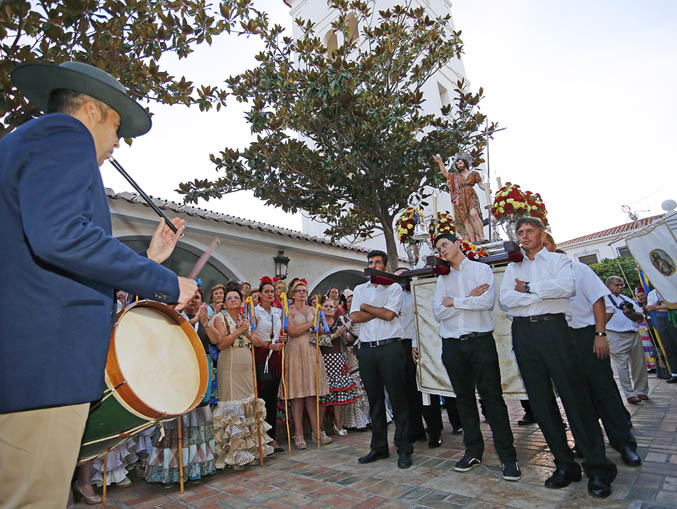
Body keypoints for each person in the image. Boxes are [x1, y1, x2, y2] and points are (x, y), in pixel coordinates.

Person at [0, 61, 196, 508]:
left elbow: (41, 257)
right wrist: (165, 281)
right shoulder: (65, 136)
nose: (117, 143)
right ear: (92, 109)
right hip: (43, 368)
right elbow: (63, 236)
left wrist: (148, 260)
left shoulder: (20, 146)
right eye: (117, 126)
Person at [498, 217, 617, 498]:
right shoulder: (513, 267)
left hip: (554, 329)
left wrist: (526, 289)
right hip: (523, 333)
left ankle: (597, 467)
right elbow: (505, 300)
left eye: (530, 231)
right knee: (540, 400)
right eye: (520, 232)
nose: (524, 236)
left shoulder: (558, 262)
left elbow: (566, 288)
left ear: (542, 235)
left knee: (574, 396)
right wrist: (537, 293)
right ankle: (564, 464)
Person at [544, 240, 641, 467]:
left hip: (586, 335)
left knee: (604, 390)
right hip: (560, 340)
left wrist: (599, 334)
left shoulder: (579, 270)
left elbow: (602, 305)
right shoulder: (538, 275)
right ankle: (586, 442)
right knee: (576, 396)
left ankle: (624, 442)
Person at [433, 233, 521, 481]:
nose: (442, 250)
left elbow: (486, 303)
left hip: (480, 342)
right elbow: (438, 312)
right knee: (464, 400)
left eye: (445, 244)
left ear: (458, 244)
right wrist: (467, 298)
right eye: (438, 248)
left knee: (492, 398)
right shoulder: (443, 278)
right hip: (452, 345)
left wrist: (455, 301)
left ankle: (508, 455)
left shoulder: (481, 270)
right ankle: (473, 450)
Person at [145, 290, 217, 484]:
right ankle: (172, 469)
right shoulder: (173, 318)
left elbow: (212, 342)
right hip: (177, 376)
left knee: (197, 420)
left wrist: (203, 323)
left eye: (197, 298)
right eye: (190, 298)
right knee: (177, 423)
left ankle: (197, 465)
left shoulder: (204, 321)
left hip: (198, 376)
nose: (193, 302)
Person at [351, 250, 413, 469]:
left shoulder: (395, 288)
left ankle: (404, 448)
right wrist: (377, 310)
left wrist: (367, 307)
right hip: (367, 350)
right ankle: (378, 448)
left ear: (385, 266)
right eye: (370, 263)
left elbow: (390, 315)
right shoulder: (360, 289)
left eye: (378, 262)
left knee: (398, 399)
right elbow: (355, 316)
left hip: (390, 347)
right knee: (374, 401)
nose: (373, 266)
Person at [207, 283, 274, 469]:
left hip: (246, 367)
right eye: (229, 298)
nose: (233, 300)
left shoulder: (245, 318)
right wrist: (239, 331)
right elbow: (221, 344)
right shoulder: (220, 318)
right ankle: (236, 455)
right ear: (225, 303)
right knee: (233, 409)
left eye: (236, 297)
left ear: (241, 301)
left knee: (247, 406)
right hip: (229, 366)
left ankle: (250, 451)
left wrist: (269, 343)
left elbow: (255, 340)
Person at [280, 279, 331, 449]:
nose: (303, 293)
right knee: (297, 394)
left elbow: (322, 329)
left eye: (304, 290)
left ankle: (317, 431)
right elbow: (292, 331)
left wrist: (321, 326)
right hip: (294, 351)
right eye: (299, 290)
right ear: (293, 294)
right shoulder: (288, 310)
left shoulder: (313, 309)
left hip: (310, 350)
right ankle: (299, 434)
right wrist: (311, 324)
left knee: (311, 393)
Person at [605, 277, 649, 404]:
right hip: (615, 334)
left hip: (633, 334)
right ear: (609, 286)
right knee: (622, 366)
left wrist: (630, 313)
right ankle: (629, 393)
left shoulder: (627, 299)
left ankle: (641, 390)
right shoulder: (603, 299)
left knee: (639, 364)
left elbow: (640, 317)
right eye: (617, 285)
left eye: (621, 285)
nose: (620, 287)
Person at [253, 277, 285, 452]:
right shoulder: (254, 312)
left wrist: (282, 338)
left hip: (276, 355)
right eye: (266, 292)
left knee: (272, 398)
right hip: (262, 354)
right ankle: (261, 436)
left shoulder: (277, 311)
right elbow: (253, 336)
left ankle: (272, 437)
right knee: (262, 397)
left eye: (272, 291)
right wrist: (268, 345)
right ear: (260, 295)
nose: (270, 294)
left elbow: (280, 330)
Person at [318, 299, 358, 436]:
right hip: (324, 361)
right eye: (326, 306)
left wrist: (347, 332)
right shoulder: (318, 324)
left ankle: (338, 424)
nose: (329, 308)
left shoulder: (339, 322)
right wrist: (336, 334)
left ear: (336, 310)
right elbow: (320, 341)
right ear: (321, 309)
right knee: (323, 396)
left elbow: (348, 340)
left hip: (338, 360)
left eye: (332, 306)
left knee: (339, 397)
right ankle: (320, 427)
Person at [433, 153, 486, 243]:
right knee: (465, 220)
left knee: (474, 214)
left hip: (471, 195)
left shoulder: (474, 174)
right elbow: (445, 173)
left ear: (465, 163)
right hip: (460, 198)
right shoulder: (456, 176)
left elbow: (481, 184)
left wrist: (487, 189)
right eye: (457, 164)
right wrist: (440, 162)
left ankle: (482, 236)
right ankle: (472, 240)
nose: (459, 165)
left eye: (460, 163)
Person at [341, 291, 372, 431]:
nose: (351, 303)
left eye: (354, 300)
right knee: (356, 384)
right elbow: (346, 338)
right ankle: (358, 421)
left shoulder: (365, 316)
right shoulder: (342, 319)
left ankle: (371, 418)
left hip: (366, 350)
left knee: (369, 384)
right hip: (351, 354)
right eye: (348, 301)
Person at [647, 288, 677, 383]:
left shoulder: (672, 288)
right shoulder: (652, 293)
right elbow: (649, 308)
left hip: (674, 316)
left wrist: (656, 307)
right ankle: (674, 373)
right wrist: (660, 304)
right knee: (668, 346)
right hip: (660, 318)